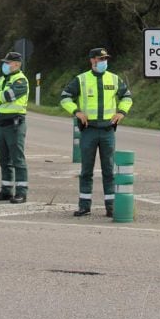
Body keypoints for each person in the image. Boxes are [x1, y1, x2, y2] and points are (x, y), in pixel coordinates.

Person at [59, 47, 133, 217]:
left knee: (108, 170)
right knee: (86, 170)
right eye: (100, 59)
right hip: (89, 131)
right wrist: (76, 111)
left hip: (107, 131)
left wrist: (121, 112)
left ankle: (111, 206)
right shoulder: (81, 79)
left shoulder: (114, 79)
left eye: (105, 59)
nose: (103, 62)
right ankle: (84, 206)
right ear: (92, 60)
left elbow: (127, 97)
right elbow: (65, 97)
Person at [0, 51, 29, 203]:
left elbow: (6, 96)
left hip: (15, 125)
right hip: (2, 125)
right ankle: (6, 191)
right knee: (4, 160)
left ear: (17, 64)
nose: (5, 65)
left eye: (8, 63)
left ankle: (21, 192)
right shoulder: (2, 79)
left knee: (18, 160)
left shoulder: (20, 80)